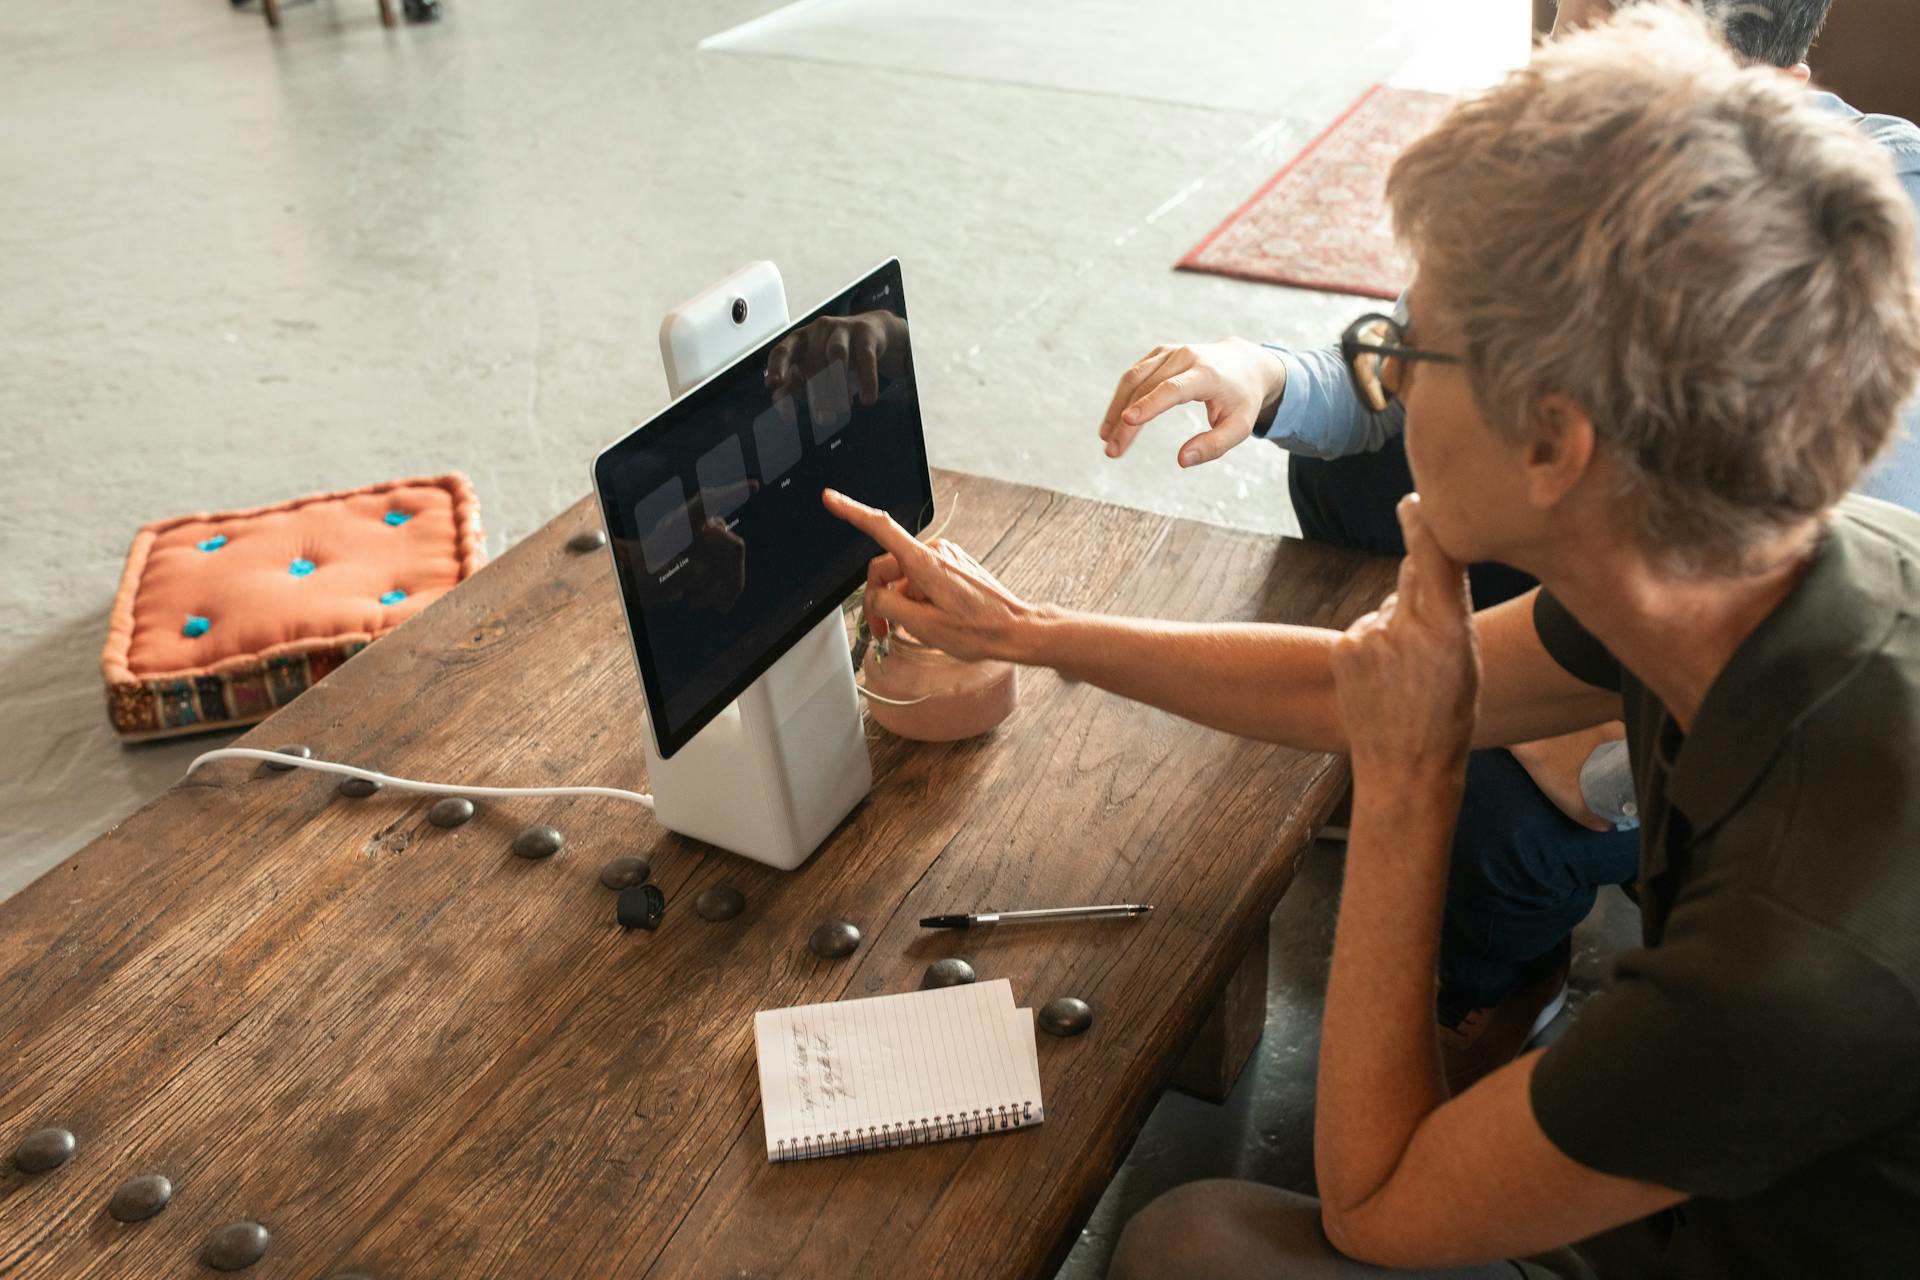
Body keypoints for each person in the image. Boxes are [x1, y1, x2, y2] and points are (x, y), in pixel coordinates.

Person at [823, 4, 1920, 1274]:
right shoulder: (1759, 556)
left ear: (1557, 442)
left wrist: (1409, 783)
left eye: (1411, 347)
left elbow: (1374, 1205)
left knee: (1196, 1243)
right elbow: (1348, 688)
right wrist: (1037, 631)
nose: (1387, 374)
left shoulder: (1797, 957)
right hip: (1737, 1158)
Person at [1094, 0, 1920, 1091]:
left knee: (1498, 805)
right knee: (1345, 470)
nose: (1562, 77)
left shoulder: (1778, 953)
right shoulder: (1617, 175)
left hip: (1723, 691)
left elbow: (1378, 1210)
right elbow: (1383, 380)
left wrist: (1509, 756)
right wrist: (1268, 373)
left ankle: (1498, 973)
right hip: (1682, 604)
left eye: (1609, 50)